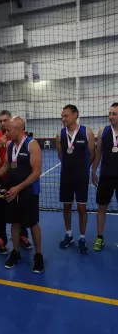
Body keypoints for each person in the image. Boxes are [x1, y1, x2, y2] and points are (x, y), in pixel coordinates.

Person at [0, 116, 44, 273]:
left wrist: (19, 188)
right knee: (15, 223)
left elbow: (36, 173)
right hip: (12, 190)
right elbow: (6, 167)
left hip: (28, 191)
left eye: (9, 130)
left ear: (19, 129)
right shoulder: (9, 145)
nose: (6, 132)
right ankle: (15, 252)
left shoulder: (32, 145)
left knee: (32, 223)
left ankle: (38, 255)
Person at [0, 110, 32, 254]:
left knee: (20, 209)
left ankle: (22, 236)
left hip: (15, 179)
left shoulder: (17, 135)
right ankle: (0, 240)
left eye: (4, 120)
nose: (2, 123)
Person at [56, 104, 95, 254]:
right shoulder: (59, 135)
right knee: (66, 206)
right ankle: (69, 235)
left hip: (81, 177)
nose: (63, 118)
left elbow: (92, 154)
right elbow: (61, 155)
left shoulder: (87, 132)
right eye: (62, 116)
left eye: (66, 115)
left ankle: (82, 238)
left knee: (81, 208)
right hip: (66, 176)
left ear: (75, 115)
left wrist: (83, 169)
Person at [92, 103, 118, 250]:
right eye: (110, 113)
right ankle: (100, 237)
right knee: (102, 207)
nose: (110, 116)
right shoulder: (103, 131)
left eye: (114, 114)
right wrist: (93, 171)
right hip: (106, 176)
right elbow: (98, 153)